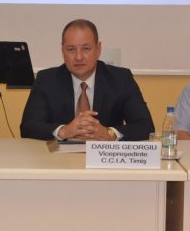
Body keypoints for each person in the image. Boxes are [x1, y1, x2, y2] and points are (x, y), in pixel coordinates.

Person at [20, 19, 154, 141]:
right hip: (58, 158)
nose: (78, 57)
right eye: (71, 49)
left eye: (86, 49)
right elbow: (28, 127)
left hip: (105, 157)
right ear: (62, 51)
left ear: (98, 49)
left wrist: (109, 133)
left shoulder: (121, 79)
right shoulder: (46, 80)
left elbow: (146, 127)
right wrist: (64, 131)